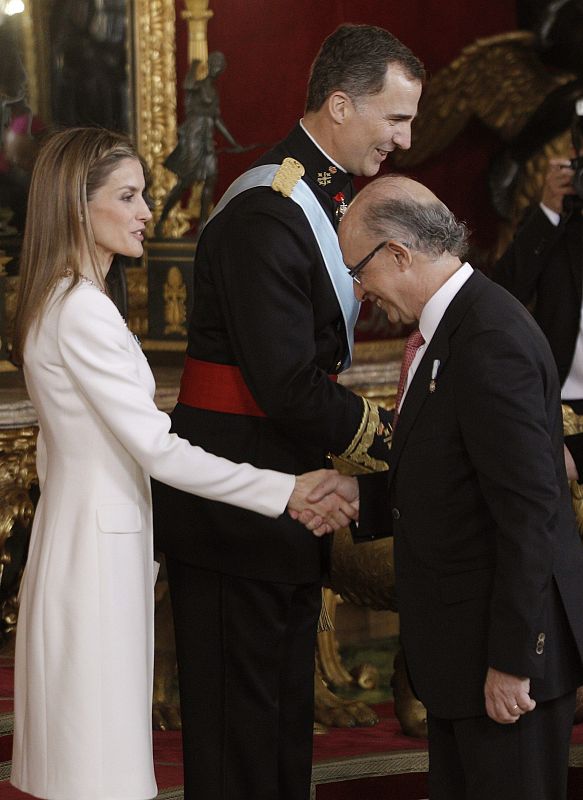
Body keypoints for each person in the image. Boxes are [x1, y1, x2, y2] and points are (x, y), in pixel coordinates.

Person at [8, 126, 354, 800]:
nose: (146, 212)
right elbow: (159, 450)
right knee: (97, 762)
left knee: (87, 750)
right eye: (129, 196)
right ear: (80, 206)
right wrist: (285, 490)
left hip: (81, 536)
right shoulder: (83, 311)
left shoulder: (60, 300)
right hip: (97, 552)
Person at [152, 23, 424, 800]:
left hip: (280, 487)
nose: (405, 138)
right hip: (236, 499)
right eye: (395, 118)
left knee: (277, 719)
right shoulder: (268, 209)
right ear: (340, 104)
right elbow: (284, 385)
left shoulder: (317, 195)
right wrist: (397, 445)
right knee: (241, 729)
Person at [307, 174, 583, 800]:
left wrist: (513, 662)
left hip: (503, 661)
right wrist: (361, 498)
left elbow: (530, 513)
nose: (360, 292)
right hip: (463, 654)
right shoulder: (450, 328)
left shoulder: (490, 338)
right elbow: (457, 474)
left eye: (359, 272)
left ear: (399, 254)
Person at [154, 51, 248, 238]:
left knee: (211, 178)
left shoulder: (213, 91)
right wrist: (195, 66)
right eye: (215, 64)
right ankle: (162, 219)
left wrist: (234, 143)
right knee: (186, 181)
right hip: (194, 135)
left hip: (206, 136)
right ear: (209, 65)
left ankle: (203, 226)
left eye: (221, 66)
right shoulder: (198, 84)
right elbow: (187, 84)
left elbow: (216, 119)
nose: (218, 68)